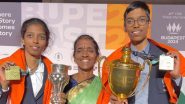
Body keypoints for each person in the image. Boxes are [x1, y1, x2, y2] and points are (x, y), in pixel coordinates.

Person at [97, 1, 185, 104]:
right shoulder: (114, 60)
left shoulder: (168, 56)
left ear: (149, 23)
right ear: (125, 26)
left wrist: (177, 77)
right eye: (130, 21)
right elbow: (106, 97)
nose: (136, 25)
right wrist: (112, 101)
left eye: (141, 20)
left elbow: (181, 97)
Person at [0, 18, 55, 104]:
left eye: (42, 37)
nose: (35, 41)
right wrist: (4, 87)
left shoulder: (53, 72)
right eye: (30, 36)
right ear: (23, 39)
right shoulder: (3, 67)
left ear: (47, 43)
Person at [63, 34, 102, 104]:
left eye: (90, 50)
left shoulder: (103, 86)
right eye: (79, 51)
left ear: (97, 57)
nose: (84, 54)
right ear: (74, 57)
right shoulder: (63, 83)